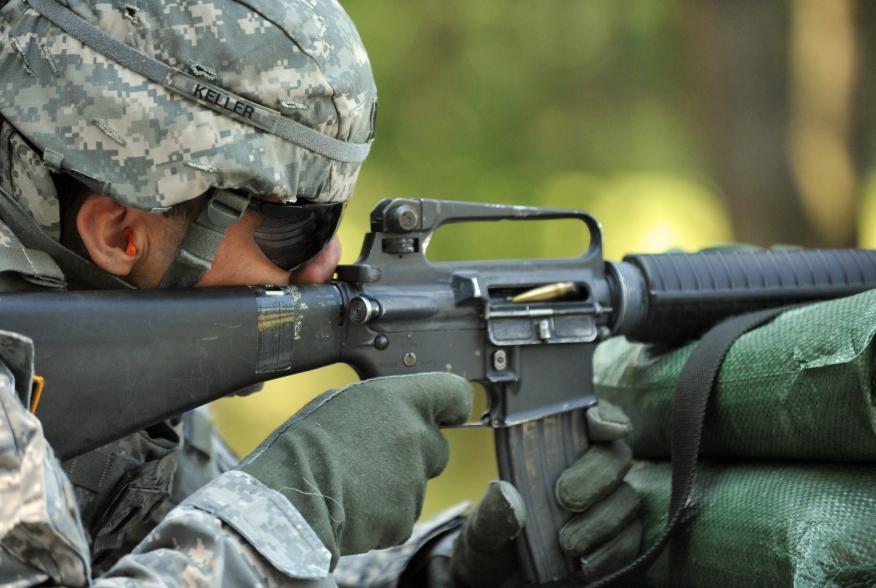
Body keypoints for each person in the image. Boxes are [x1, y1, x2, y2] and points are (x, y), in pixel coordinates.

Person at [0, 0, 643, 585]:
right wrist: (297, 498)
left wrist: (435, 574)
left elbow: (174, 555)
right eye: (296, 225)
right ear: (120, 233)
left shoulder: (110, 356)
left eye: (334, 216)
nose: (325, 263)